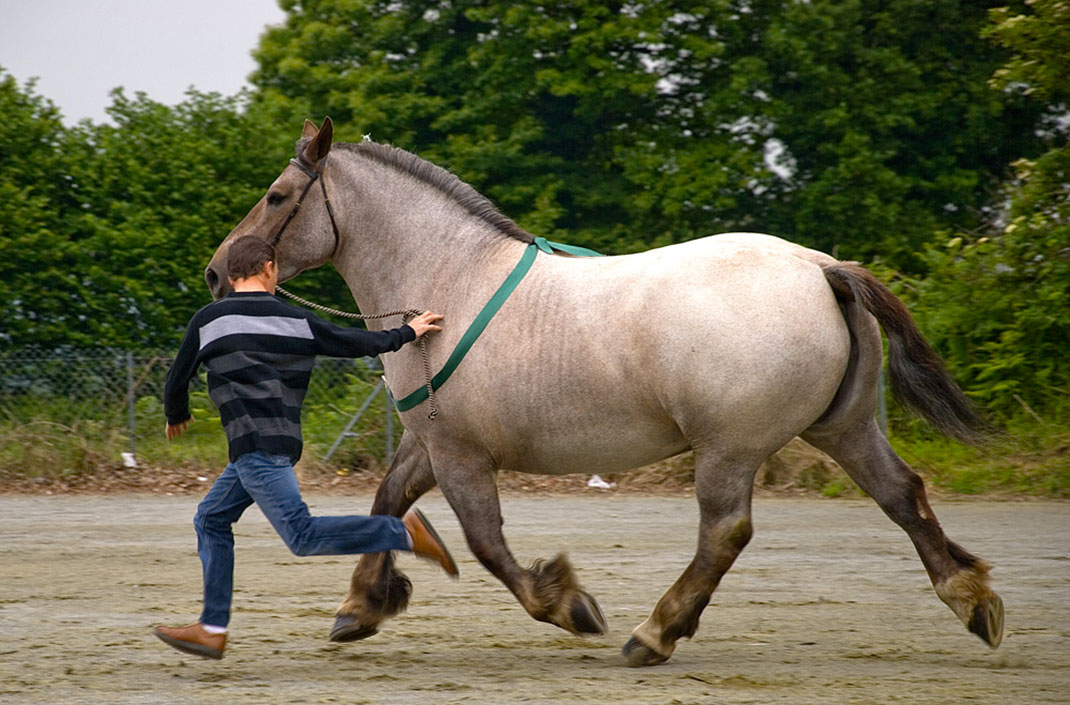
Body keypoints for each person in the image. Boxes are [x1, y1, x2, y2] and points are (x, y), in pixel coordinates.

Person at [153, 235, 456, 660]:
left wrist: (175, 413)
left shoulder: (208, 321)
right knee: (211, 519)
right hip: (269, 446)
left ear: (233, 273)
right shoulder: (297, 321)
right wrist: (407, 331)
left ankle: (403, 531)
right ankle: (212, 628)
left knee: (301, 535)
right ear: (269, 269)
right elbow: (356, 344)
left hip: (255, 448)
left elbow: (177, 376)